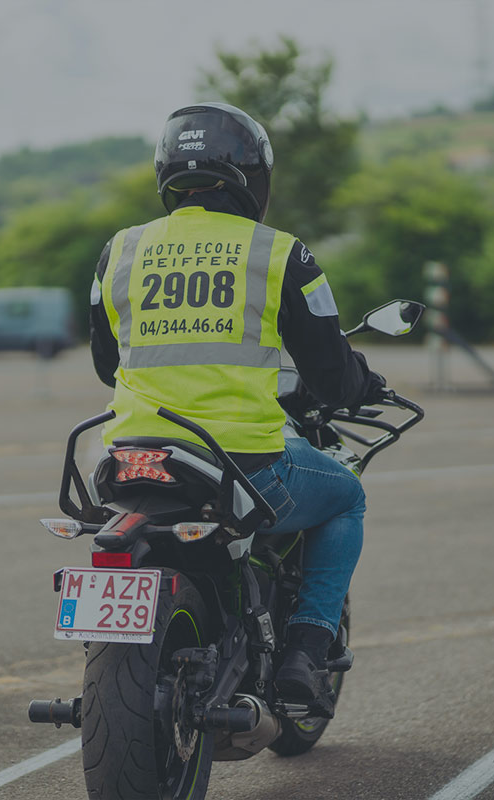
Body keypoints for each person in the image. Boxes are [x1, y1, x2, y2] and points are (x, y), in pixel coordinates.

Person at [89, 102, 385, 717]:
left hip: (130, 459)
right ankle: (307, 648)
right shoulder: (281, 254)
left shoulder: (119, 250)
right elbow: (329, 373)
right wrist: (364, 383)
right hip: (243, 462)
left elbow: (105, 362)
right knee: (346, 495)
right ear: (253, 174)